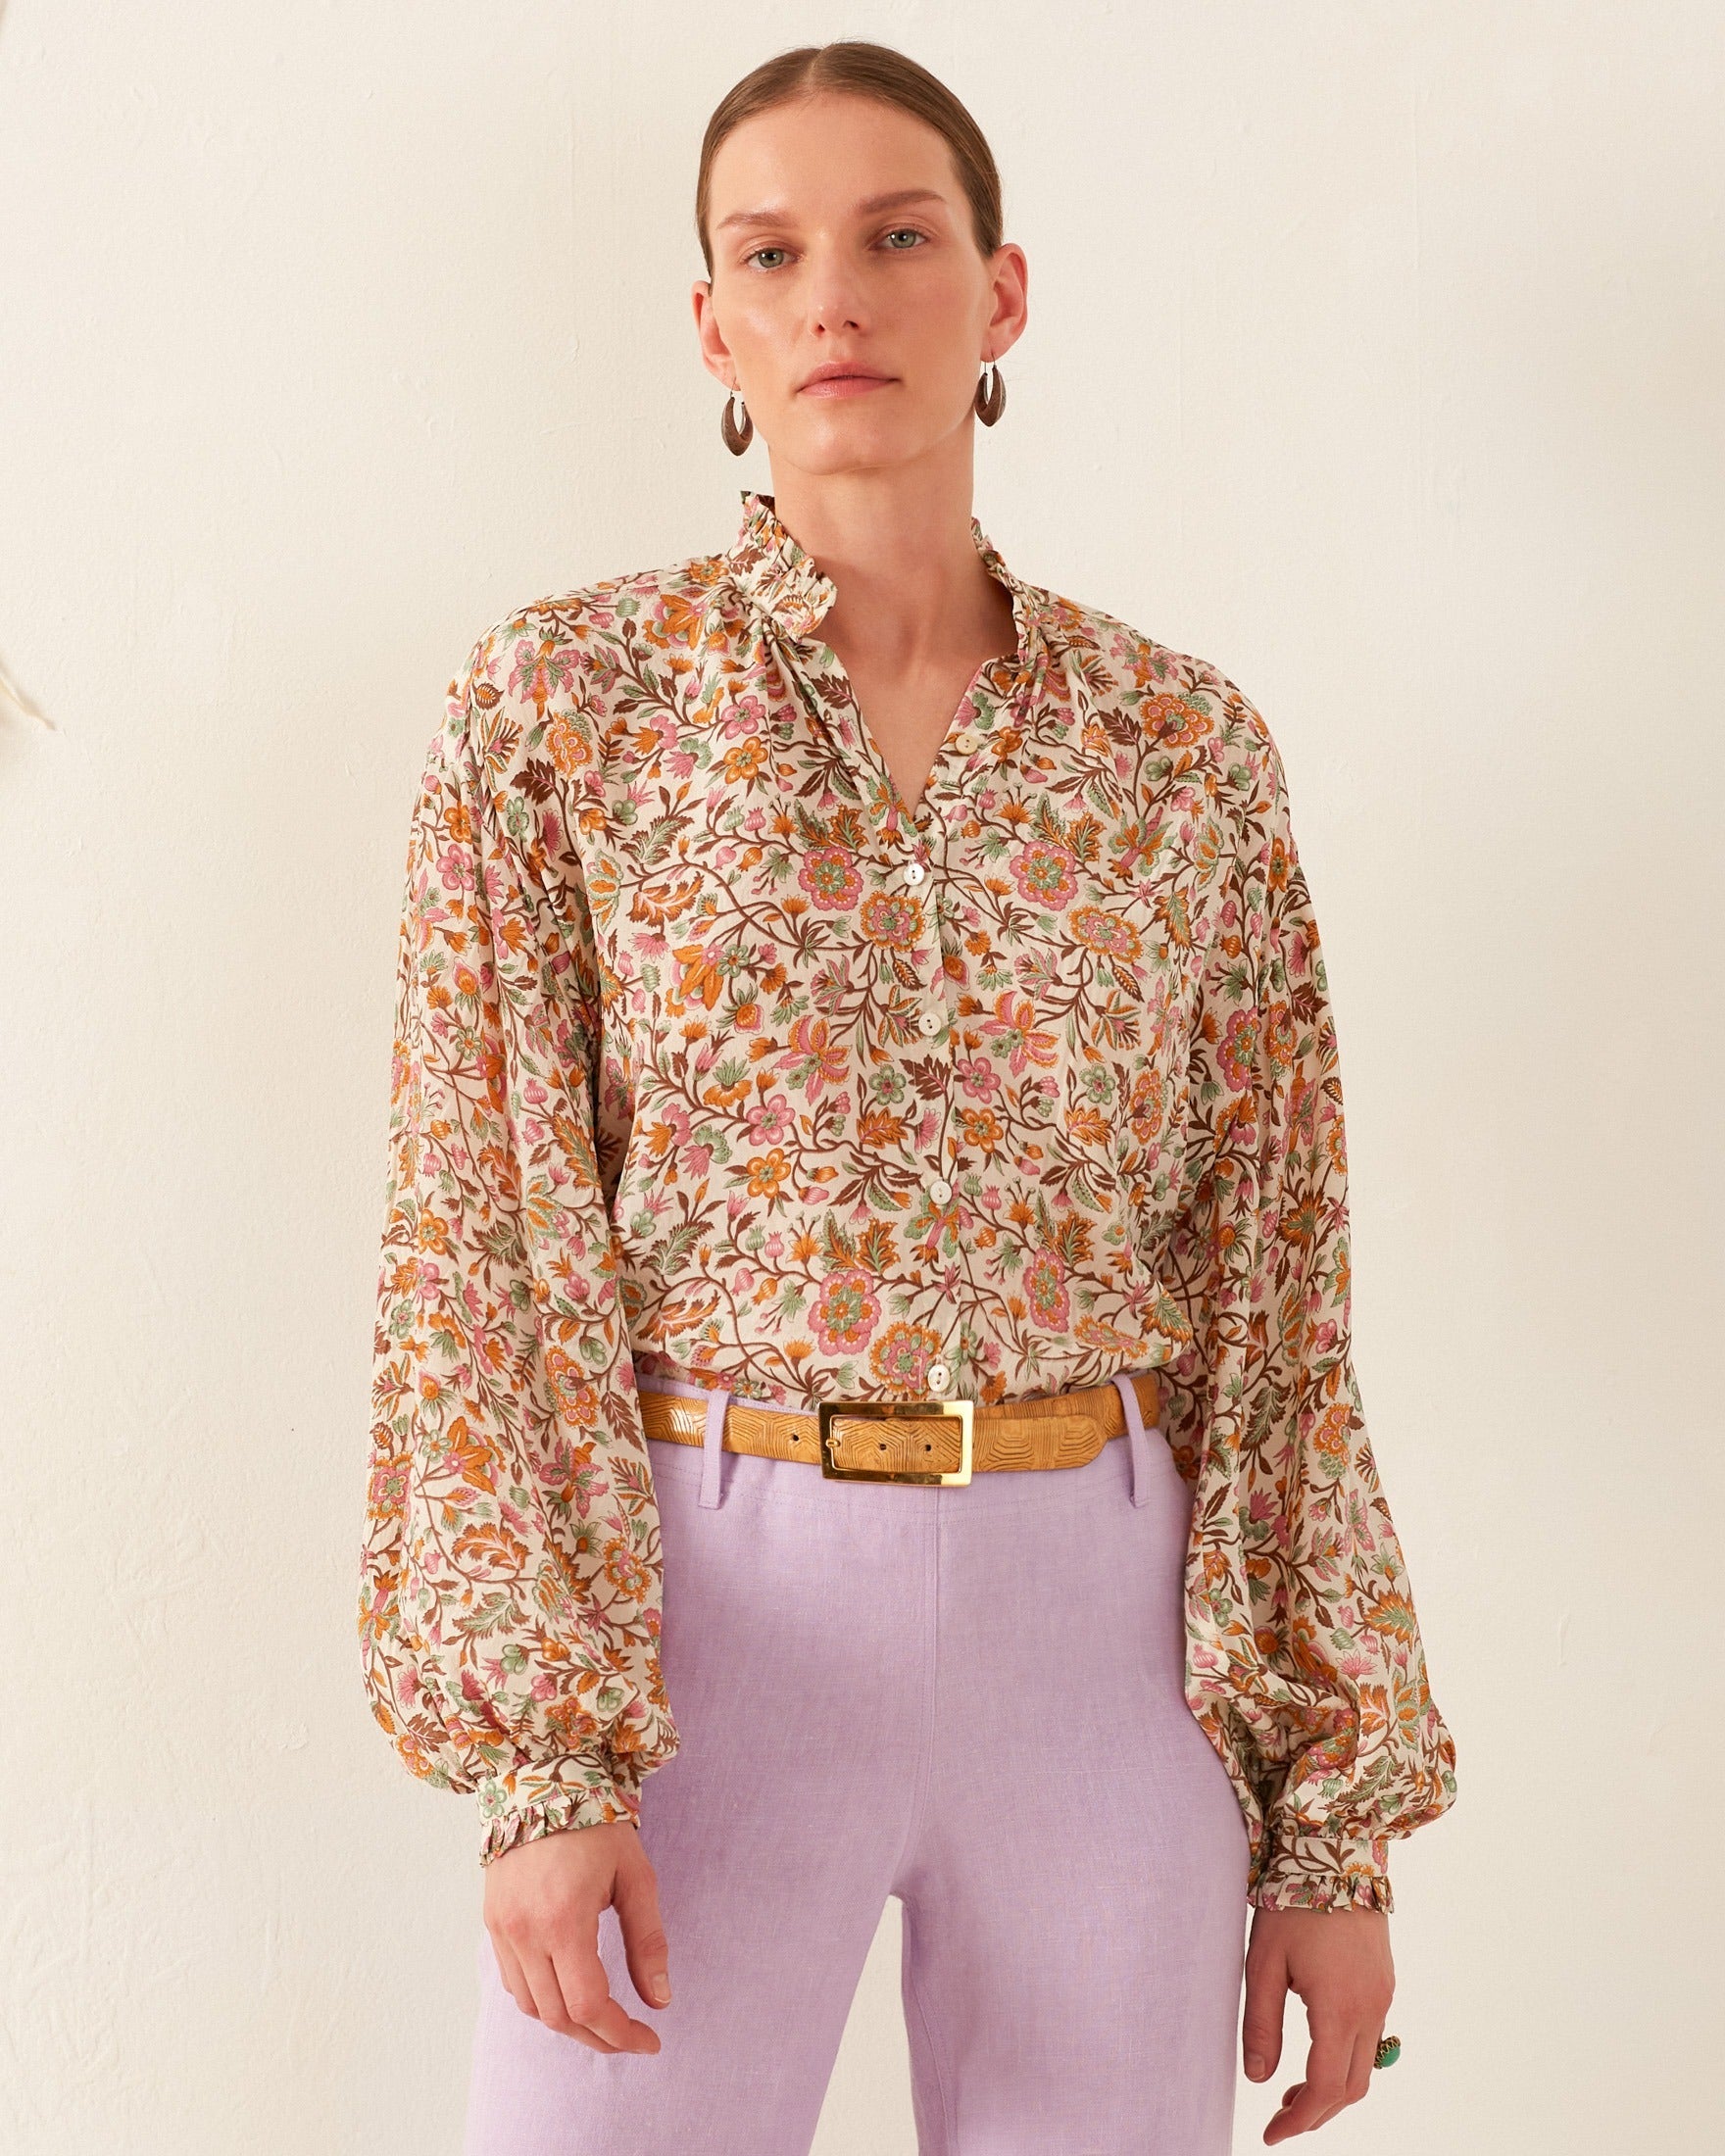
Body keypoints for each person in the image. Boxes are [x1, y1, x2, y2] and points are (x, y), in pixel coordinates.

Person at [357, 38, 1458, 2156]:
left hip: (1101, 1633)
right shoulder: (560, 708)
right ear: (713, 326)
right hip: (705, 1614)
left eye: (895, 237)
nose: (835, 298)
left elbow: (1279, 1273)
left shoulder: (1177, 748)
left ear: (1002, 291)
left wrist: (1332, 1822)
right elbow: (481, 1243)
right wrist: (548, 1761)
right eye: (770, 252)